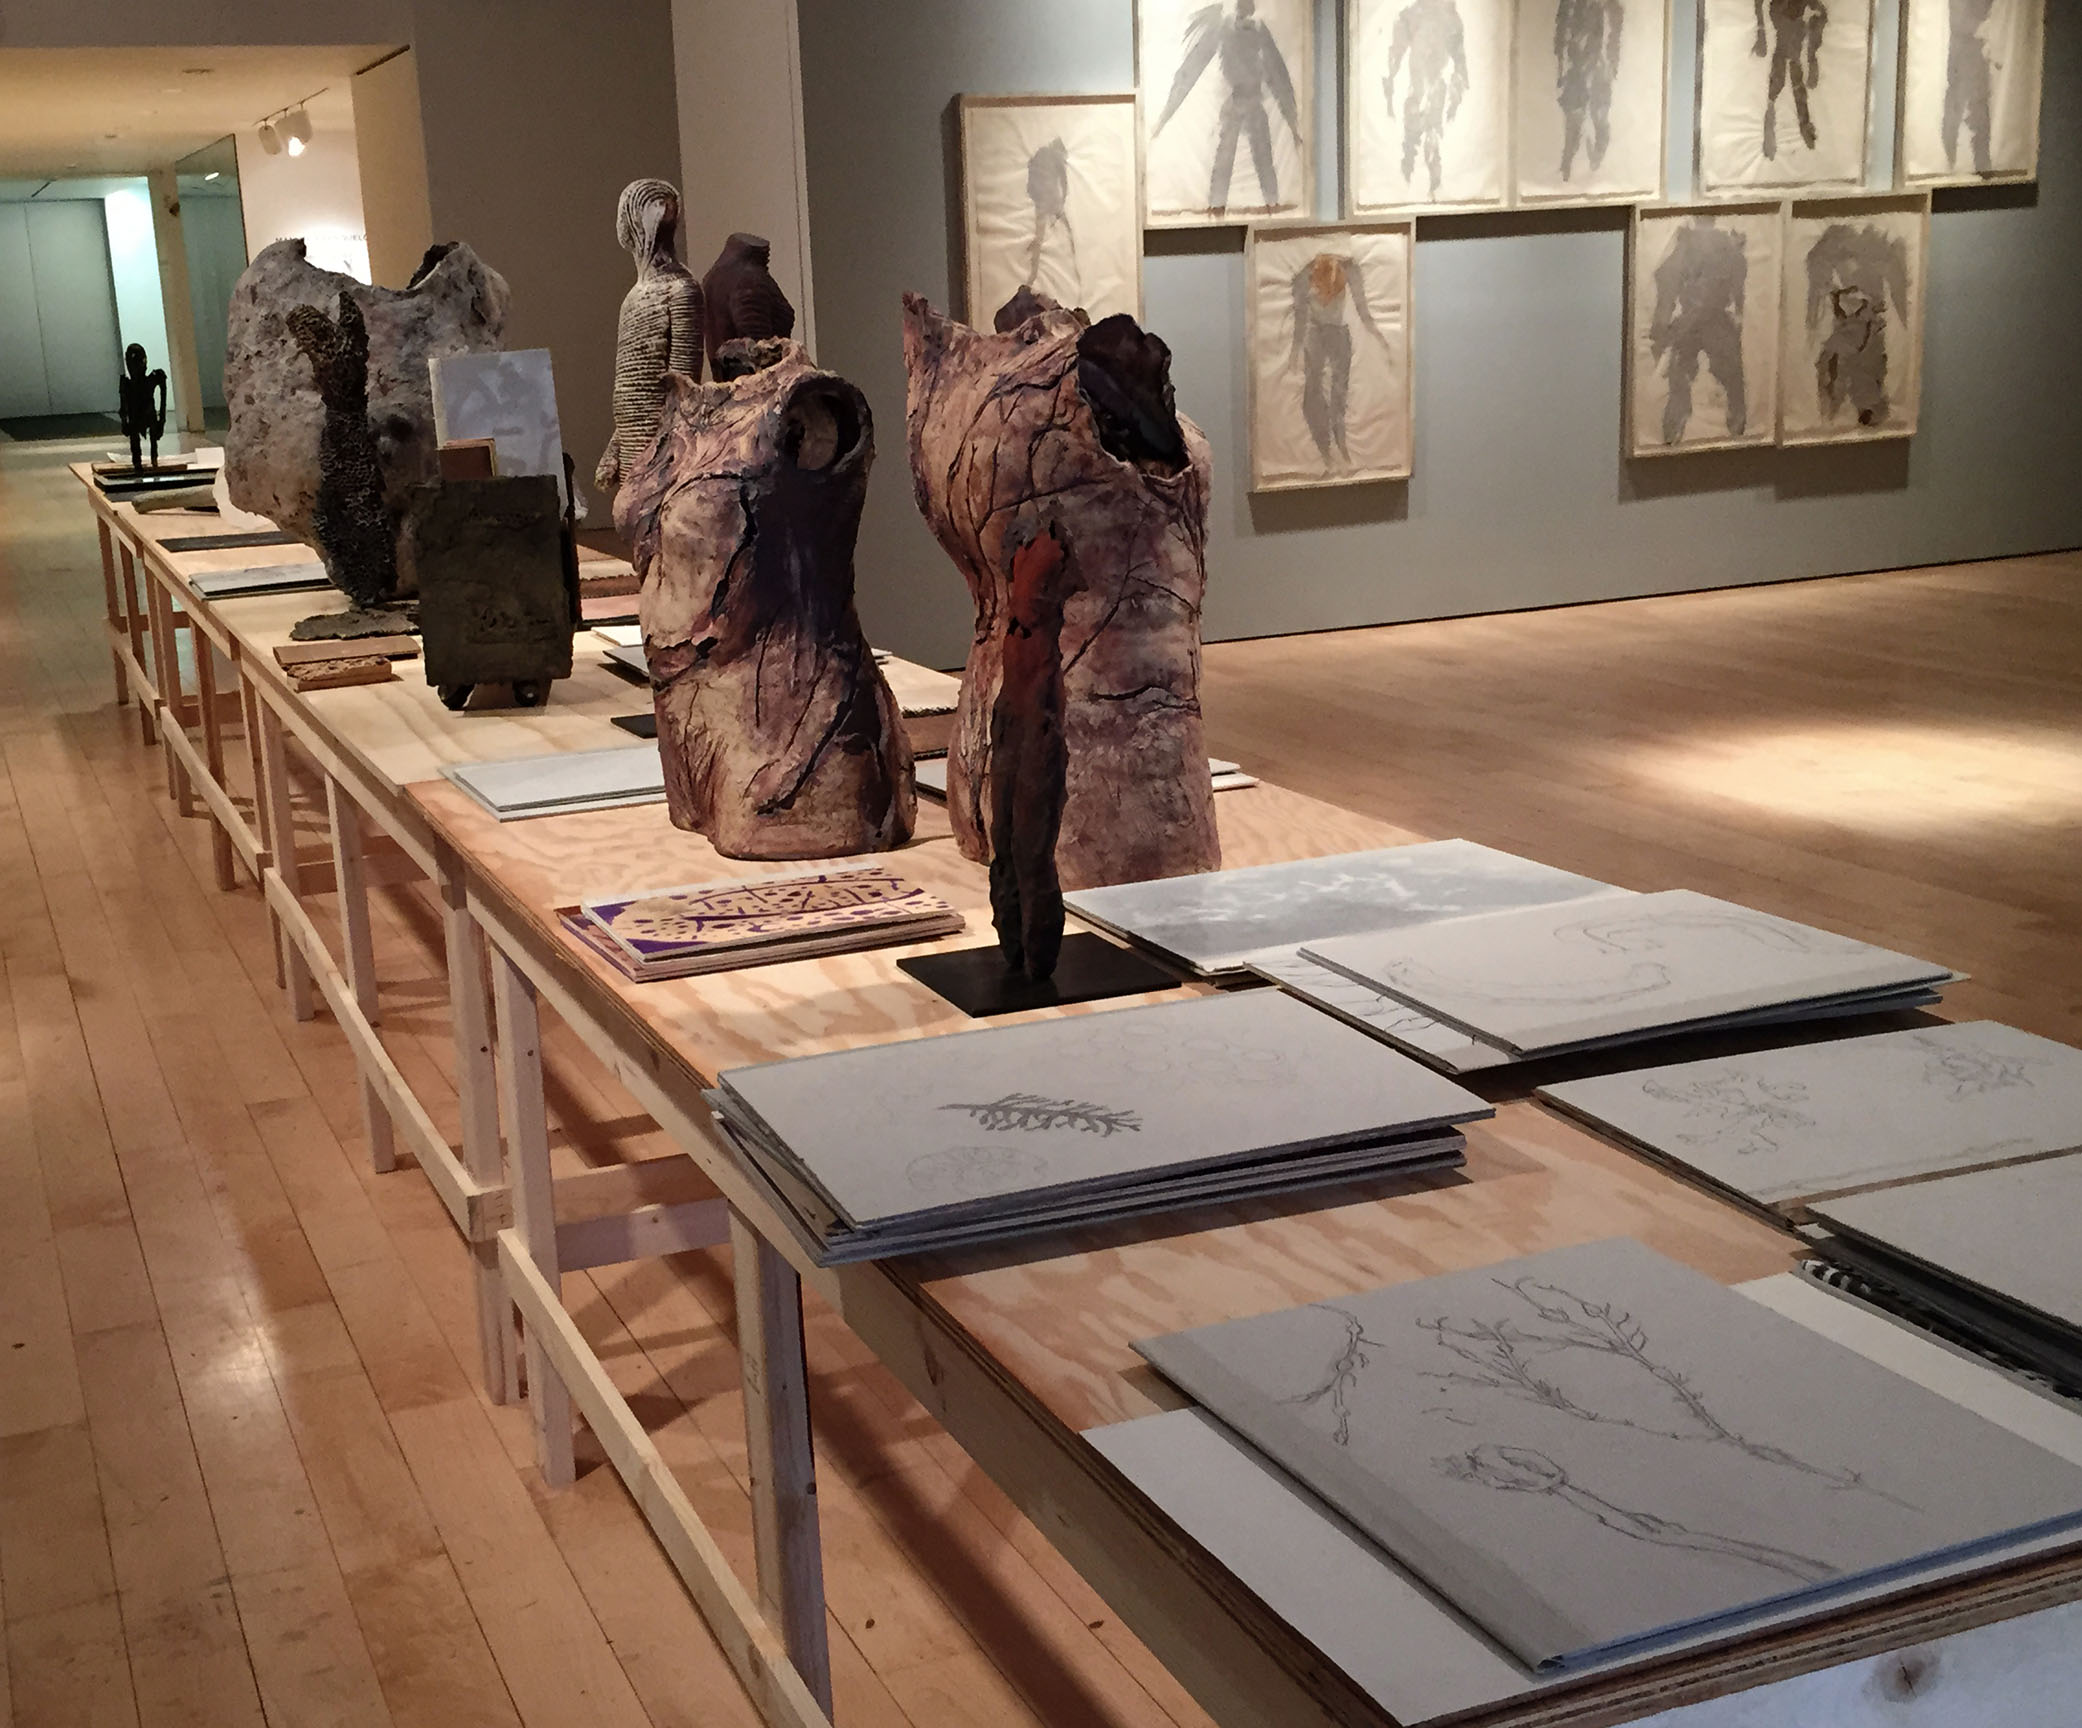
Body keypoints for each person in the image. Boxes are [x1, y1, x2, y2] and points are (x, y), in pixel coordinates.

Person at [1151, 0, 1303, 214]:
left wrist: (1294, 125)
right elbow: (1192, 68)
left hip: (1253, 102)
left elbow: (1279, 78)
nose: (1245, 19)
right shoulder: (1224, 29)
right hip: (1237, 102)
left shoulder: (1259, 32)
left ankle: (1269, 203)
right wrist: (1165, 116)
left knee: (1262, 158)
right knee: (1226, 159)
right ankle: (1218, 207)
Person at [1646, 218, 1749, 445]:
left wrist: (1661, 324)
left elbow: (1738, 287)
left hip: (1710, 320)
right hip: (1695, 322)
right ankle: (1678, 417)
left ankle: (1734, 418)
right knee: (1682, 375)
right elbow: (1667, 281)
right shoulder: (1695, 245)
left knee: (1730, 374)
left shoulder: (1718, 246)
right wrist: (1662, 325)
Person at [1804, 220, 1911, 428]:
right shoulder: (1825, 258)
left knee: (1852, 372)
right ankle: (1832, 415)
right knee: (1834, 368)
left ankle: (1845, 414)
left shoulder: (1873, 255)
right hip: (1854, 331)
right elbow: (1819, 298)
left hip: (1865, 332)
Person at [1288, 253, 1392, 466]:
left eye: (1332, 294)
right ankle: (1325, 449)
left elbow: (1364, 312)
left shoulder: (1350, 270)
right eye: (1320, 292)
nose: (1326, 299)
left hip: (1338, 331)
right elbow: (1300, 321)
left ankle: (1341, 442)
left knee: (1339, 392)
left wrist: (1382, 340)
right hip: (1315, 331)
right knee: (1313, 389)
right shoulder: (1302, 278)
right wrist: (1294, 353)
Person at [1385, 0, 1470, 198]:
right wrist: (1390, 81)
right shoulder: (1415, 15)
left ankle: (1428, 184)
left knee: (1430, 132)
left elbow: (1460, 60)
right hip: (1419, 87)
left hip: (1434, 86)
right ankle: (1408, 180)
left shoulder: (1449, 18)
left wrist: (1457, 92)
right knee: (1414, 133)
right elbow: (1396, 52)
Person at [1554, 0, 1626, 182]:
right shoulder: (1570, 5)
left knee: (1599, 116)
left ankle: (1595, 158)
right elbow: (1561, 32)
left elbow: (1614, 33)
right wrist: (1561, 67)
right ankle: (1567, 164)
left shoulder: (1609, 6)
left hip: (1599, 68)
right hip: (1577, 67)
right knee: (1574, 117)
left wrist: (1611, 63)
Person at [1752, 0, 1828, 161]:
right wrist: (1760, 31)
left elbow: (1820, 12)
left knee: (1790, 76)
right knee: (1781, 82)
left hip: (1792, 40)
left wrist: (1812, 54)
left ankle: (1802, 127)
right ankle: (1779, 132)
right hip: (1784, 37)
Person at [1942, 0, 1997, 176]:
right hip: (1963, 55)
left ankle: (1981, 164)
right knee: (1960, 108)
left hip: (1978, 55)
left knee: (1978, 108)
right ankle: (1951, 161)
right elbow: (1958, 19)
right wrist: (1982, 28)